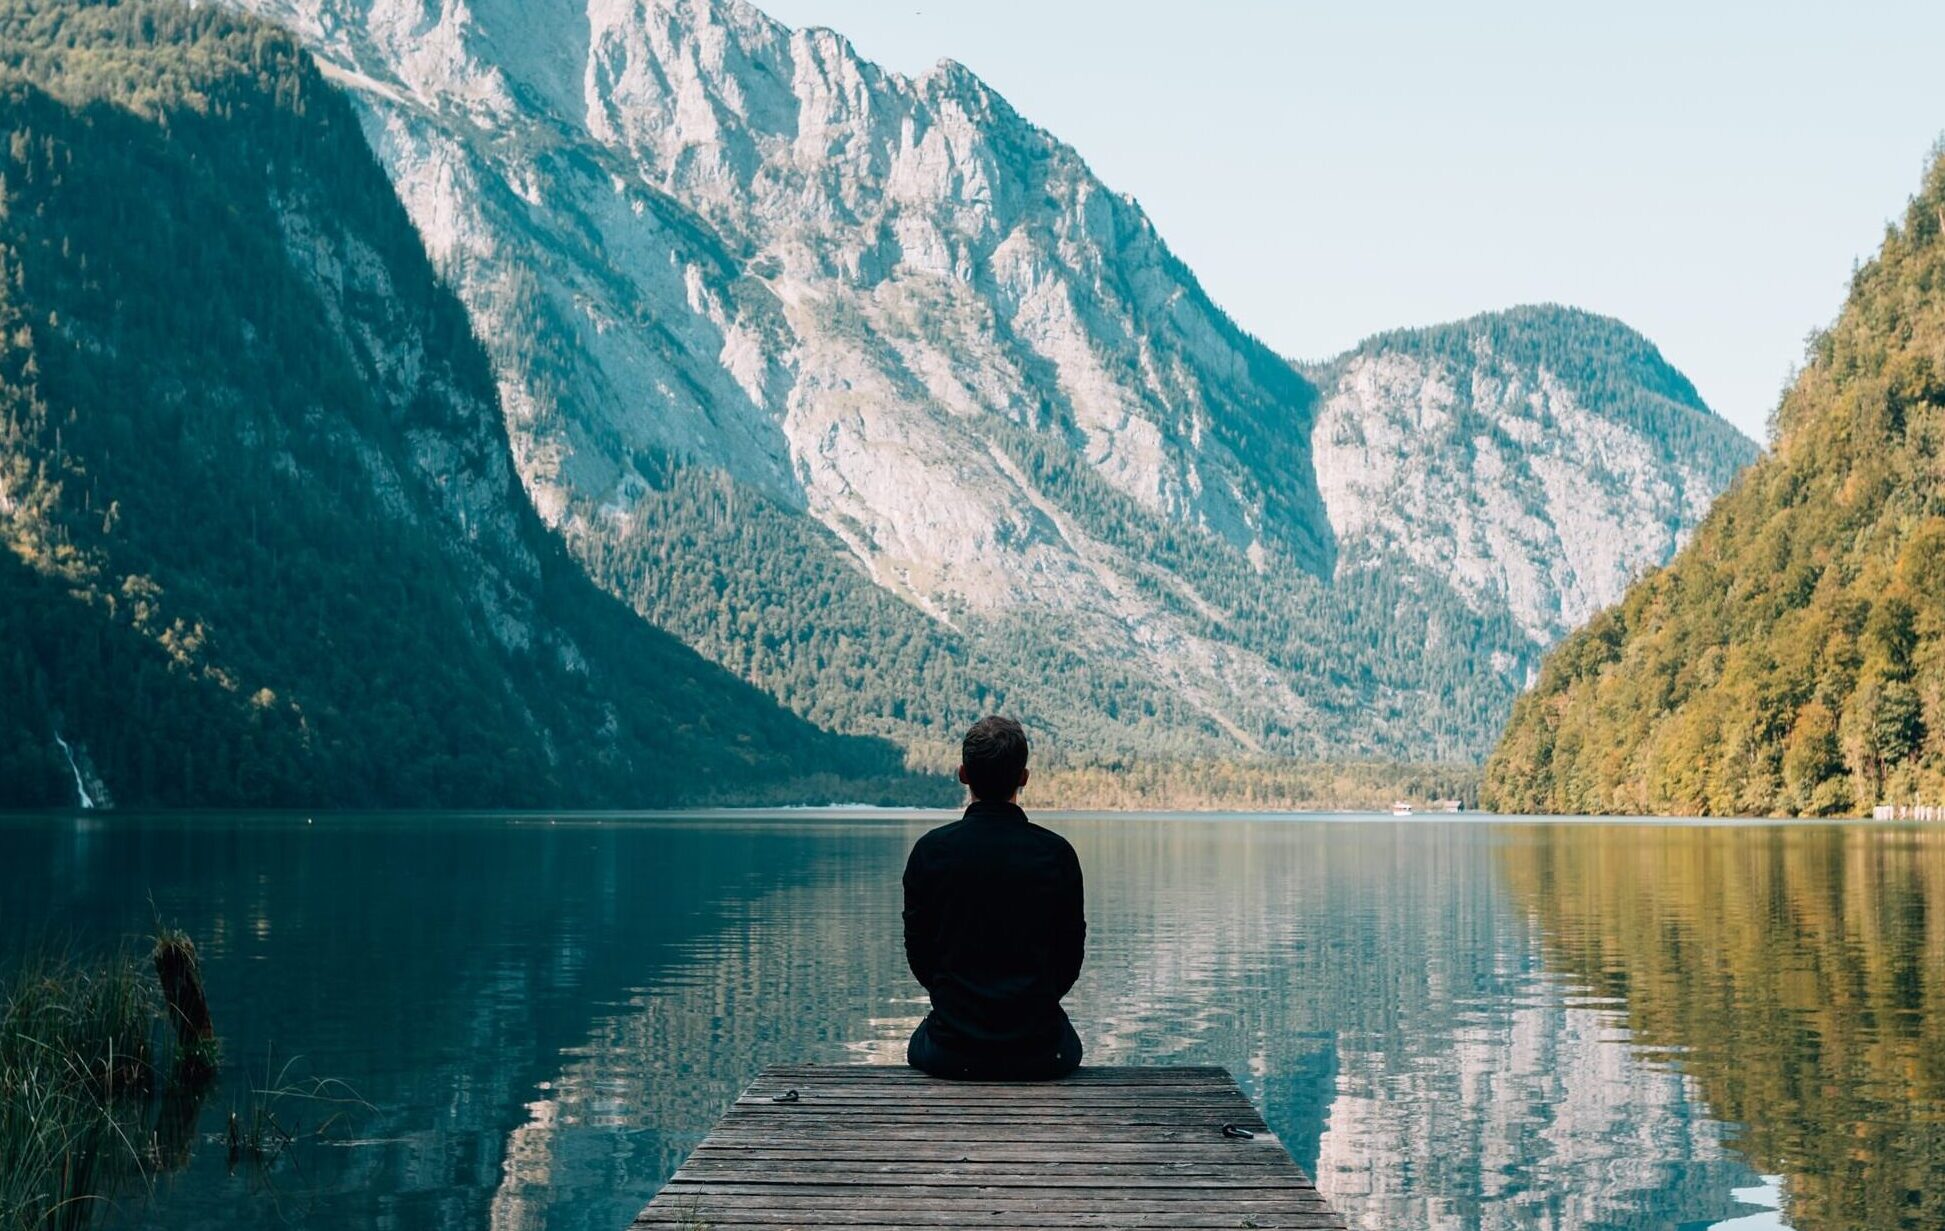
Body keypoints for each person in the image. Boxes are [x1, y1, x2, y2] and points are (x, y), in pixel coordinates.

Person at [903, 716, 1085, 1080]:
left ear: (963, 773)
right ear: (1024, 777)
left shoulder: (930, 852)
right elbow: (1070, 957)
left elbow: (920, 954)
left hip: (950, 1050)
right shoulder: (1056, 854)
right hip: (1041, 1051)